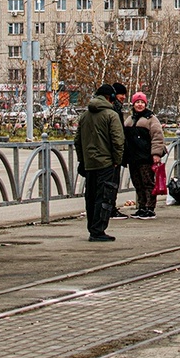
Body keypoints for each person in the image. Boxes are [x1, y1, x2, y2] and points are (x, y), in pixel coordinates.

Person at [74, 84, 127, 241]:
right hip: (106, 163)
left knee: (90, 197)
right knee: (104, 197)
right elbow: (118, 140)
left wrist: (82, 160)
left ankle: (92, 228)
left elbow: (77, 141)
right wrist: (117, 160)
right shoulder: (111, 115)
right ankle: (98, 231)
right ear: (110, 97)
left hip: (89, 164)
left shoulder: (84, 116)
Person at [123, 92, 166, 220]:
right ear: (133, 104)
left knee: (148, 183)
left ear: (146, 104)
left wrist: (156, 154)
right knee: (137, 183)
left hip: (146, 157)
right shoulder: (130, 120)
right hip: (133, 157)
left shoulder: (151, 119)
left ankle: (150, 208)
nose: (140, 105)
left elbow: (158, 137)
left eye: (142, 102)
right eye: (137, 102)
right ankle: (141, 207)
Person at [109, 82, 129, 218]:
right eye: (121, 94)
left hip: (111, 153)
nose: (123, 97)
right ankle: (110, 208)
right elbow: (117, 134)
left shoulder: (116, 109)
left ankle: (109, 207)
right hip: (112, 154)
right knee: (111, 183)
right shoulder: (113, 111)